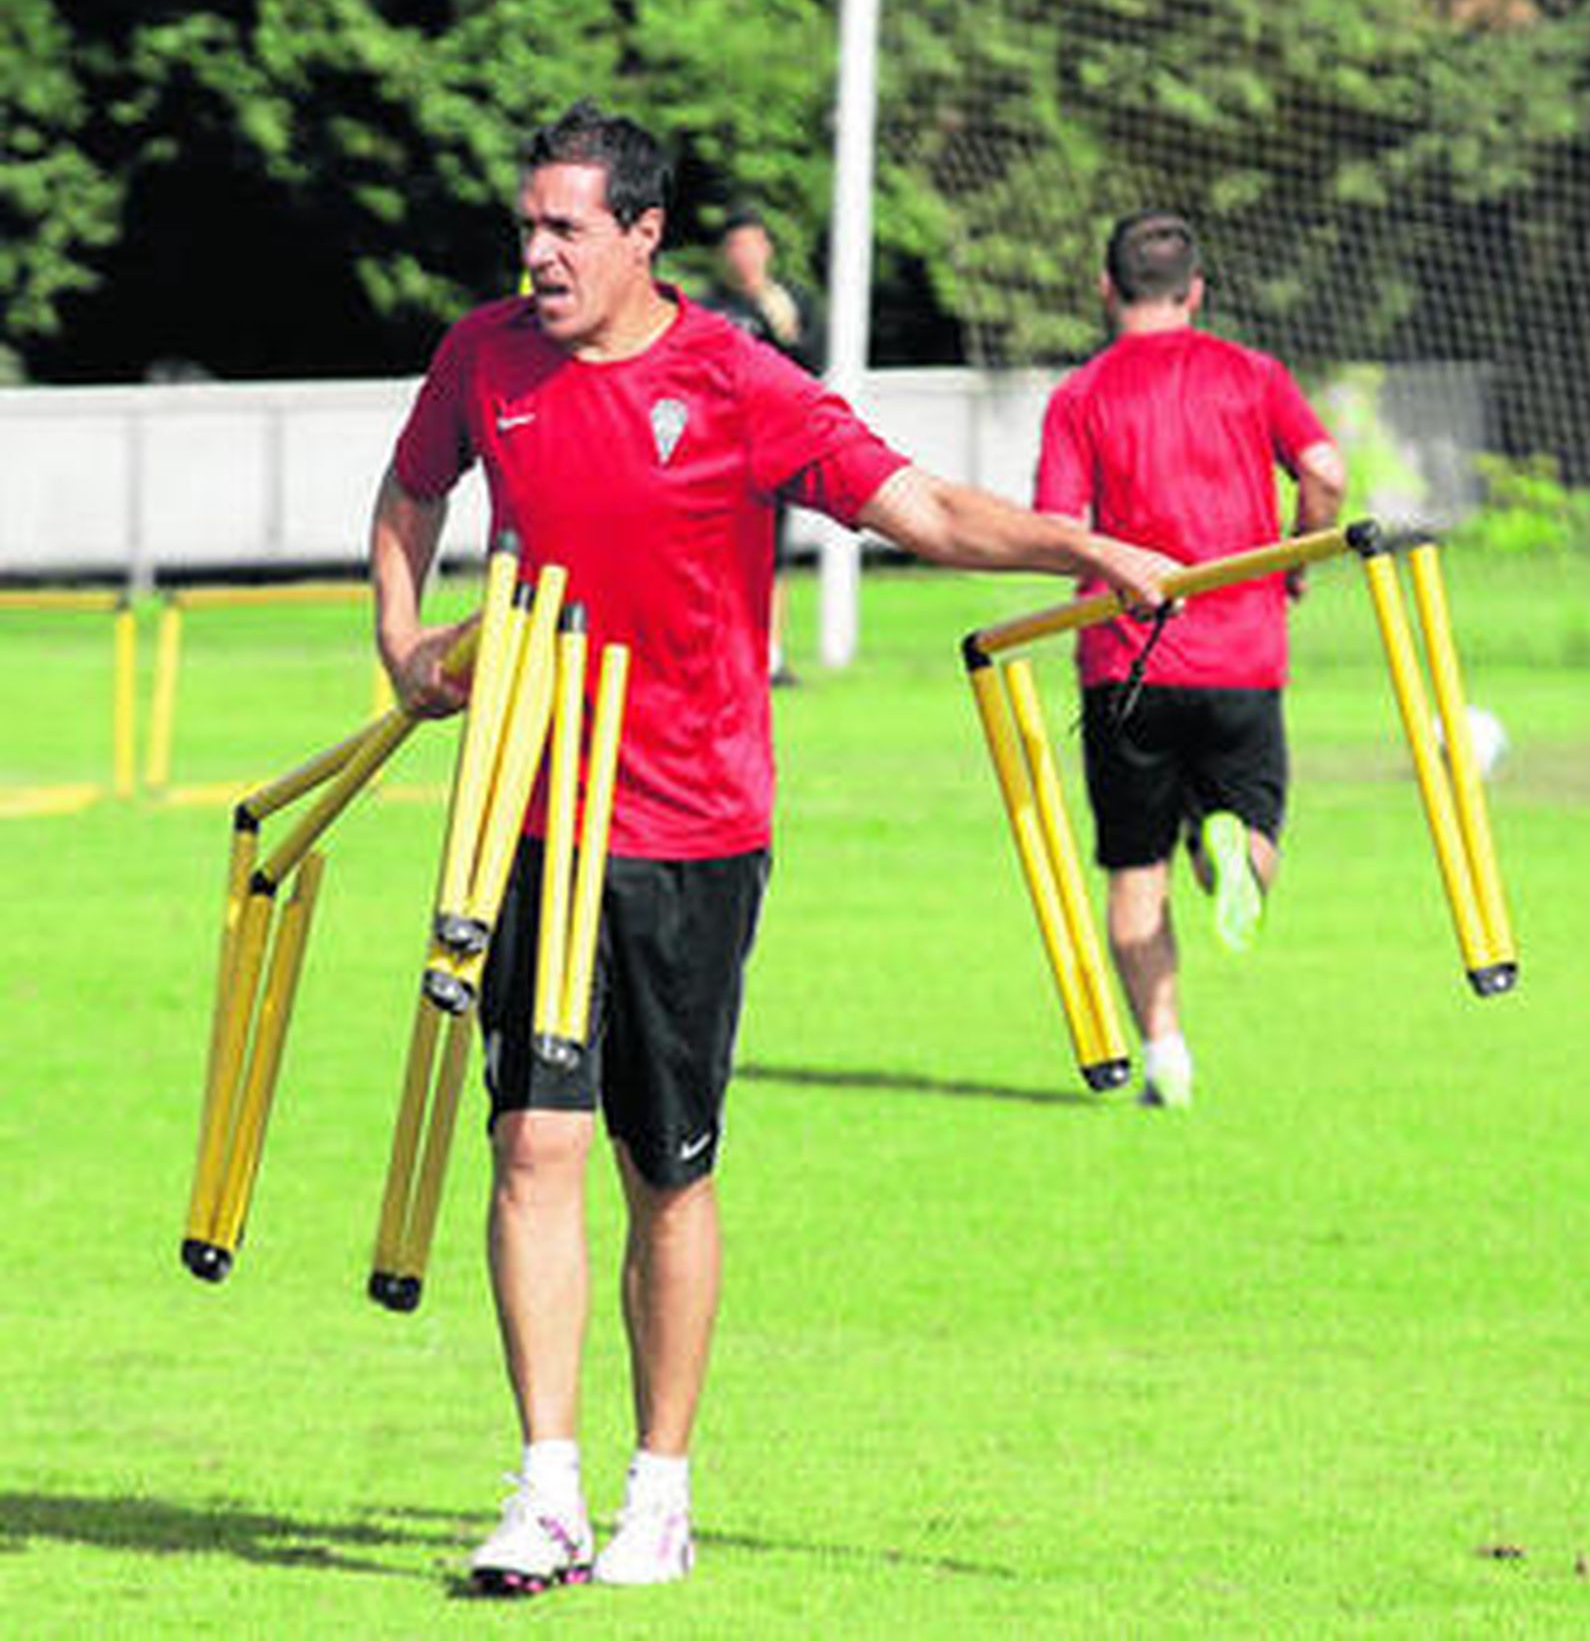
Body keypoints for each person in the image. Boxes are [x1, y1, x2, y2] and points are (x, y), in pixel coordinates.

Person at [369, 99, 1175, 1599]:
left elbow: (919, 505)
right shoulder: (486, 356)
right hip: (528, 806)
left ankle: (657, 1489)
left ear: (643, 235)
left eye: (567, 228)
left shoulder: (735, 379)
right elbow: (416, 485)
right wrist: (404, 638)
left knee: (662, 1166)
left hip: (691, 820)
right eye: (527, 225)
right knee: (532, 1137)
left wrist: (1082, 545)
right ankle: (544, 1486)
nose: (536, 253)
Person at [1033, 209, 1346, 1111]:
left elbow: (1060, 531)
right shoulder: (1252, 374)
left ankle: (1165, 1054)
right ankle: (1231, 853)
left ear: (1106, 288)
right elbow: (1323, 468)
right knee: (1251, 841)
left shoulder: (1081, 394)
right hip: (1241, 652)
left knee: (1135, 869)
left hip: (1126, 658)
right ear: (1196, 290)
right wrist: (1300, 553)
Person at [702, 205, 826, 686]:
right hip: (715, 450)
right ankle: (718, 649)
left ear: (767, 249)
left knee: (770, 552)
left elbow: (811, 366)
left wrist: (786, 327)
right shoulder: (710, 308)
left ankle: (769, 653)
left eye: (753, 244)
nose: (745, 256)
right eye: (736, 245)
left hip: (772, 446)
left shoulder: (791, 302)